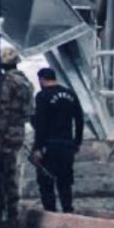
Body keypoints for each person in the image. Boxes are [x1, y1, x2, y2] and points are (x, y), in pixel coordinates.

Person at [0, 47, 33, 228]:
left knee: (6, 174)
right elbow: (29, 110)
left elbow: (3, 108)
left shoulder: (8, 82)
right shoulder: (26, 82)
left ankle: (10, 215)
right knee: (8, 171)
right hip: (18, 130)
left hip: (5, 132)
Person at [31, 67, 84, 213]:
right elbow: (79, 119)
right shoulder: (70, 94)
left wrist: (38, 148)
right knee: (65, 181)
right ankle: (67, 210)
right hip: (67, 144)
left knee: (46, 182)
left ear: (42, 80)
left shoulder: (42, 96)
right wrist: (77, 142)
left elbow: (41, 124)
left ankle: (51, 213)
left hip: (49, 146)